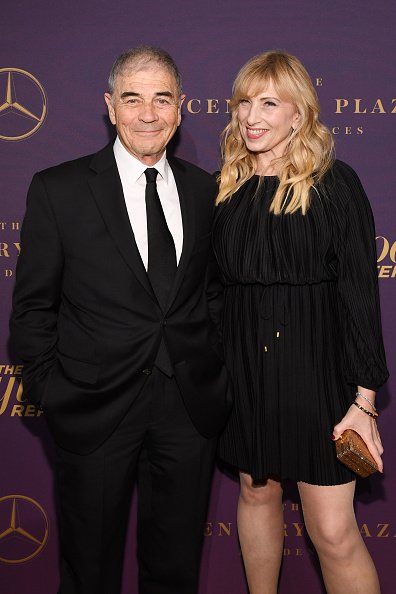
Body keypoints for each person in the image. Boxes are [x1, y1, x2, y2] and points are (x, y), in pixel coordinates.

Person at [10, 46, 231, 594]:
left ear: (180, 109)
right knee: (89, 571)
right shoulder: (58, 189)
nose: (149, 114)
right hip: (92, 407)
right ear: (111, 107)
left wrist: (216, 375)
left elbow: (216, 296)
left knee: (176, 569)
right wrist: (52, 390)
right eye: (133, 99)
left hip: (186, 410)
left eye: (162, 99)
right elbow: (34, 307)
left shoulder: (208, 191)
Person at [212, 51, 389, 594]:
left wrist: (363, 402)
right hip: (244, 373)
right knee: (256, 494)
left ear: (300, 114)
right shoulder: (225, 189)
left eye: (269, 102)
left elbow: (359, 295)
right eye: (244, 102)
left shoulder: (334, 185)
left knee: (333, 530)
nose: (252, 116)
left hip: (317, 376)